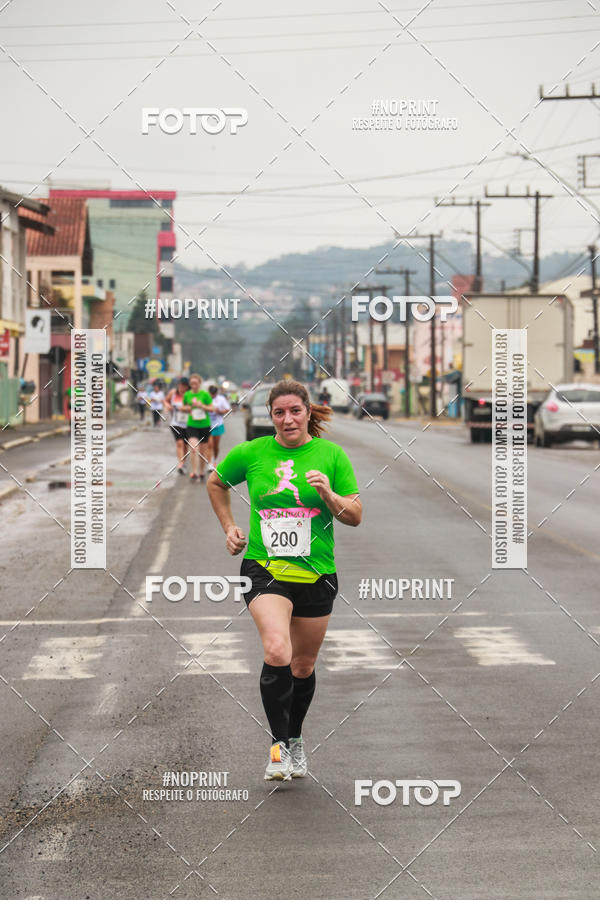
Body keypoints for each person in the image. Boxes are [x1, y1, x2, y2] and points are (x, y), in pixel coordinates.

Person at [207, 379, 362, 781]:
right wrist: (229, 527)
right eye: (279, 412)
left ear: (309, 412)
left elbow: (355, 515)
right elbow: (216, 482)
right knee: (277, 649)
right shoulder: (252, 452)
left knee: (303, 665)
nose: (287, 419)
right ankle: (277, 750)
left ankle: (294, 741)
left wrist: (329, 496)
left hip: (317, 573)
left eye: (295, 411)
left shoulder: (331, 455)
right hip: (264, 568)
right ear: (270, 416)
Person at [183, 374, 214, 482]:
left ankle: (201, 472)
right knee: (193, 448)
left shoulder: (205, 395)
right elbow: (183, 407)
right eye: (192, 384)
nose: (194, 385)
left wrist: (202, 406)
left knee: (202, 452)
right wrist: (187, 408)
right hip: (192, 425)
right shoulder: (187, 394)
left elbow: (212, 408)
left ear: (199, 383)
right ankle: (194, 472)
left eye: (196, 383)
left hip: (204, 425)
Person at [165, 377, 190, 474]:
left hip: (188, 424)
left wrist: (185, 408)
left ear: (187, 387)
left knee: (185, 445)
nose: (181, 387)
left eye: (183, 386)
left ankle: (183, 462)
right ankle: (181, 463)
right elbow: (166, 400)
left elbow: (193, 406)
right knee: (179, 443)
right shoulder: (173, 393)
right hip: (175, 423)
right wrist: (167, 405)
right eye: (180, 385)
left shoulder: (189, 395)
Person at [207, 384, 231, 470]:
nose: (212, 396)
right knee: (210, 445)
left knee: (216, 446)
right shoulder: (206, 398)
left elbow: (228, 409)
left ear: (216, 393)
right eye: (211, 394)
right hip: (208, 425)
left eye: (214, 394)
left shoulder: (221, 399)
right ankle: (210, 463)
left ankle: (214, 459)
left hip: (218, 424)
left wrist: (220, 411)